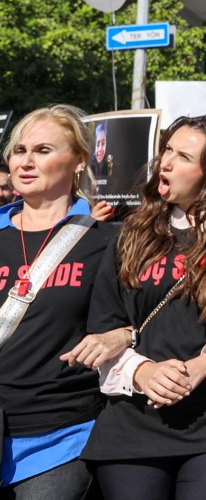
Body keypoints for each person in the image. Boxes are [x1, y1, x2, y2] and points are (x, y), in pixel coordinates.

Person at [79, 116, 206, 500]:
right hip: (133, 419)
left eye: (183, 156)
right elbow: (105, 330)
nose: (166, 163)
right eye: (167, 151)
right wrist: (143, 372)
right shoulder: (129, 235)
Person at [0, 106, 117, 499]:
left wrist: (123, 335)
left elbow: (145, 319)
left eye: (43, 150)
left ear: (79, 161)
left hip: (59, 436)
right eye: (19, 150)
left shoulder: (106, 241)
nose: (26, 162)